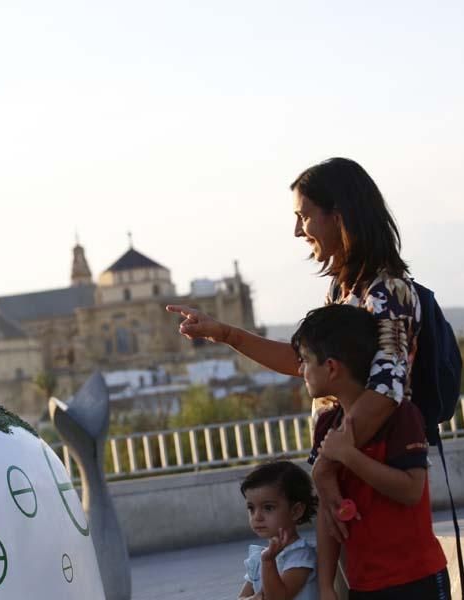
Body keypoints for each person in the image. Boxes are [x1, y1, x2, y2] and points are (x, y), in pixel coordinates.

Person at [166, 157, 420, 545]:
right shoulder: (343, 292)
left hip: (375, 472)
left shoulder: (388, 291)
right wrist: (225, 333)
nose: (298, 230)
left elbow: (387, 389)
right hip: (349, 469)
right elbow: (303, 363)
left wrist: (327, 467)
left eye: (304, 216)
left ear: (339, 215)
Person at [292, 304, 448, 599]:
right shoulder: (327, 424)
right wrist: (327, 584)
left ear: (331, 367)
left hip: (416, 578)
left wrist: (349, 456)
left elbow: (412, 490)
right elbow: (329, 510)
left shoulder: (401, 415)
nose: (300, 370)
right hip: (363, 583)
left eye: (305, 361)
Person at [238, 461, 319, 600]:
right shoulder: (259, 558)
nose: (257, 517)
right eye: (251, 508)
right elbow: (242, 597)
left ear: (296, 511)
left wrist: (268, 562)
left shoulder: (300, 556)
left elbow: (278, 597)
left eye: (268, 508)